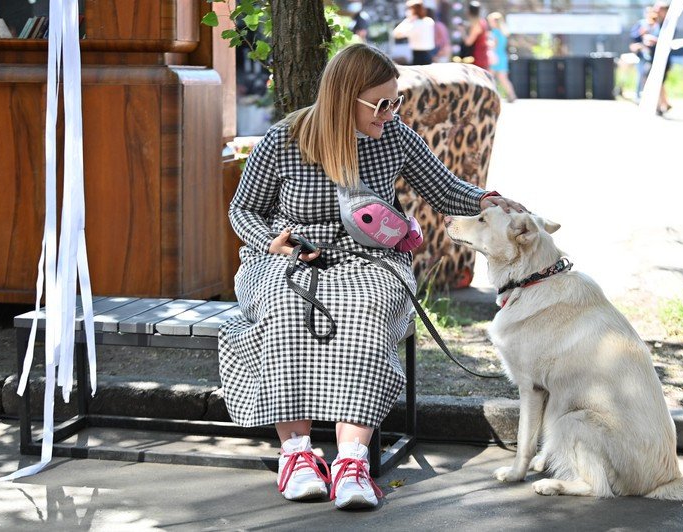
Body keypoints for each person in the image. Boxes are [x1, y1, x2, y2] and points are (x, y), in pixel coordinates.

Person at [220, 43, 526, 510]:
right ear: (345, 98)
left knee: (367, 306)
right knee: (284, 306)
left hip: (369, 258)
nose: (391, 111)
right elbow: (243, 208)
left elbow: (444, 189)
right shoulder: (284, 140)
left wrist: (487, 200)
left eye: (395, 100)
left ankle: (351, 461)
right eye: (381, 103)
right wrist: (270, 242)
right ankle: (297, 455)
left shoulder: (395, 136)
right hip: (289, 258)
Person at [640, 1, 672, 114]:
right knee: (658, 82)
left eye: (659, 10)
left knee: (655, 81)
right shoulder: (657, 23)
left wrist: (654, 40)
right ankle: (665, 103)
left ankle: (659, 106)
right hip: (653, 57)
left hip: (662, 59)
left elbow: (668, 41)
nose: (656, 12)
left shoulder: (669, 25)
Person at [392, 0, 435, 66]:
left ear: (412, 10)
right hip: (429, 54)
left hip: (418, 55)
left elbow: (396, 34)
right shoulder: (429, 21)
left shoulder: (413, 24)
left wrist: (407, 20)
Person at [487, 12, 516, 102]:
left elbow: (493, 45)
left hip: (495, 57)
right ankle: (512, 95)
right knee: (503, 79)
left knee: (489, 77)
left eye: (490, 21)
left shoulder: (495, 32)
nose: (489, 23)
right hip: (502, 57)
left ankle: (490, 96)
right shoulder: (503, 32)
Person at [461, 1, 490, 69]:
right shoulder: (482, 22)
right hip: (482, 55)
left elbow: (468, 42)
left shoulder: (477, 25)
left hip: (478, 56)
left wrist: (462, 31)